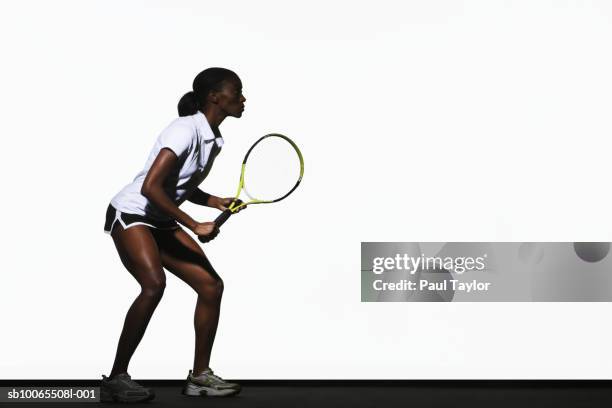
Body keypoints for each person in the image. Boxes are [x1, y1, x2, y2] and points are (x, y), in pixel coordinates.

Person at [100, 67, 246, 402]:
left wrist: (215, 201)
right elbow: (152, 187)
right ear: (215, 97)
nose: (243, 99)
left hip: (160, 217)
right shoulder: (184, 129)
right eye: (236, 92)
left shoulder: (214, 139)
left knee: (211, 285)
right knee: (153, 285)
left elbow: (181, 185)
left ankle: (200, 377)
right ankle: (116, 377)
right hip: (132, 213)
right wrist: (195, 225)